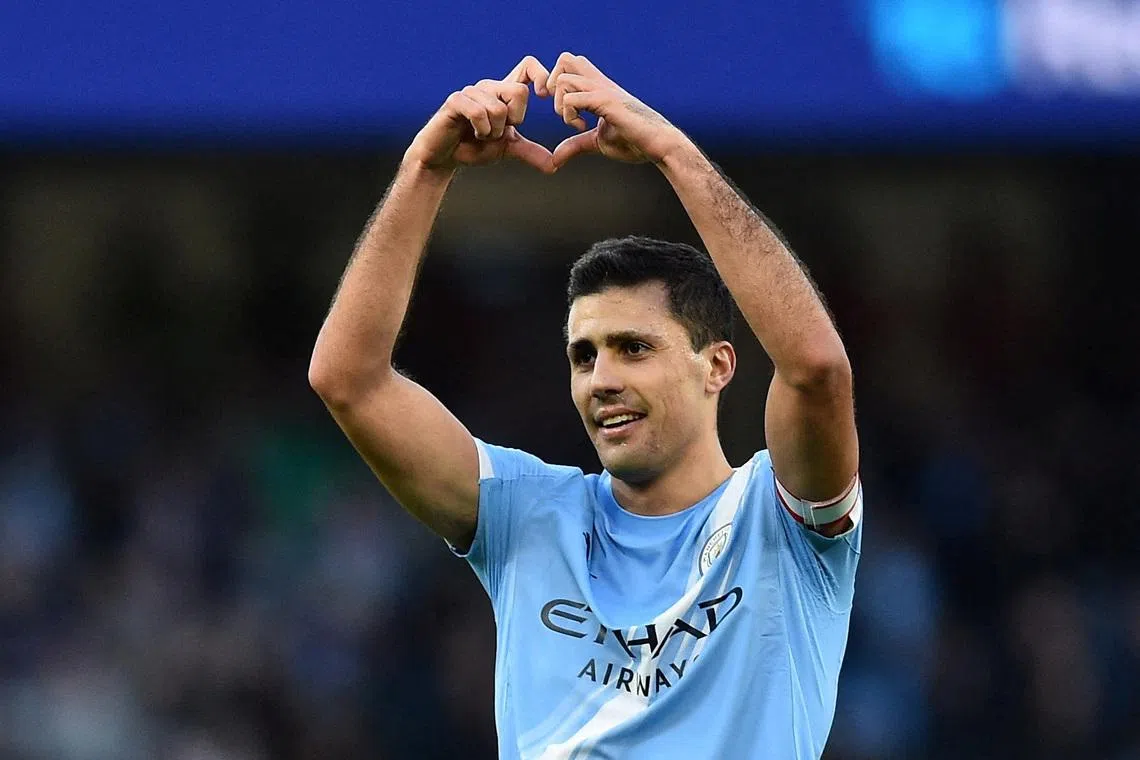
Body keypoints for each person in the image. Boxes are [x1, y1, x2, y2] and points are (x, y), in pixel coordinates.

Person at [309, 52, 862, 760]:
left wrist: (669, 149)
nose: (600, 378)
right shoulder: (528, 515)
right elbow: (347, 380)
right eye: (583, 354)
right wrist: (426, 167)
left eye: (634, 348)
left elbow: (817, 370)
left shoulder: (783, 523)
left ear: (717, 366)